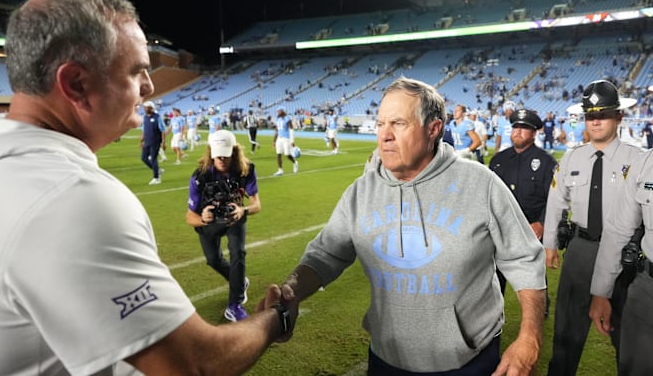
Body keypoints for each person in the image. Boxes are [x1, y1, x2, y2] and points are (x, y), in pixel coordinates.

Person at [0, 0, 292, 375]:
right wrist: (276, 319)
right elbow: (195, 365)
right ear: (76, 84)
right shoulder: (70, 199)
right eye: (137, 70)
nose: (149, 86)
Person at [274, 76, 546, 375]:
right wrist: (291, 290)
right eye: (380, 124)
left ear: (434, 129)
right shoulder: (362, 191)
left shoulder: (481, 184)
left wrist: (530, 336)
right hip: (386, 359)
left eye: (398, 123)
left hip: (470, 361)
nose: (384, 135)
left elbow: (524, 259)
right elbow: (326, 255)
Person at [542, 79, 640, 376]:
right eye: (590, 115)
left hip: (625, 256)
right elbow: (556, 201)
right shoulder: (571, 158)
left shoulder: (638, 160)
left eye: (603, 113)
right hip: (581, 252)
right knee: (566, 337)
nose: (595, 120)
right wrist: (549, 244)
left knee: (628, 340)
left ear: (619, 116)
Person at [185, 130, 261, 322]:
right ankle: (239, 282)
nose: (220, 158)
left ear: (234, 152)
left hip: (235, 217)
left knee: (238, 253)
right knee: (213, 260)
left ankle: (234, 306)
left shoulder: (246, 169)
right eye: (217, 153)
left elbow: (256, 205)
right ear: (210, 151)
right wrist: (203, 218)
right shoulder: (200, 176)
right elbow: (189, 217)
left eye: (225, 154)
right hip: (209, 223)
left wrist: (244, 211)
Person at [589, 143, 652, 375]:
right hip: (647, 288)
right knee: (634, 367)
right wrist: (601, 291)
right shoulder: (645, 163)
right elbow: (618, 230)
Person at [489, 109, 557, 317]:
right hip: (501, 229)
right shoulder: (499, 160)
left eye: (524, 128)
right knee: (495, 276)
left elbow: (554, 199)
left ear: (534, 133)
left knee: (534, 275)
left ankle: (541, 307)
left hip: (531, 228)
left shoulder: (546, 162)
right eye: (516, 127)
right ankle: (493, 310)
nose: (518, 132)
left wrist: (542, 223)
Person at [140, 100, 166, 185]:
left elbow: (163, 130)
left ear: (151, 108)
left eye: (147, 107)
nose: (145, 109)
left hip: (155, 141)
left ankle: (157, 178)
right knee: (143, 158)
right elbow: (144, 130)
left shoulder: (157, 117)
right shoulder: (145, 117)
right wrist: (141, 140)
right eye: (145, 107)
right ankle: (157, 170)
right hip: (147, 141)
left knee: (154, 159)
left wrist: (163, 142)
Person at [273, 107, 298, 176]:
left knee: (287, 154)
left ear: (282, 111)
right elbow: (276, 130)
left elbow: (291, 130)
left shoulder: (287, 118)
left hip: (286, 138)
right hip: (279, 138)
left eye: (279, 111)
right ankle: (280, 170)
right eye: (277, 111)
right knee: (278, 154)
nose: (277, 112)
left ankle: (295, 163)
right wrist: (274, 140)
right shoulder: (277, 118)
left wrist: (292, 141)